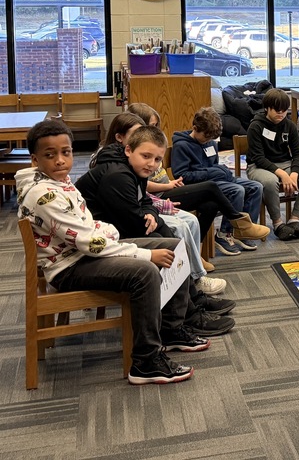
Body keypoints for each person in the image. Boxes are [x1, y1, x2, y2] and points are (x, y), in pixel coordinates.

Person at [17, 119, 208, 384]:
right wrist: (145, 254)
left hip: (85, 254)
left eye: (66, 152)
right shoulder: (43, 195)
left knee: (175, 245)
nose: (60, 160)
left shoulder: (60, 182)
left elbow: (90, 226)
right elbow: (89, 242)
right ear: (35, 159)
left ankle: (171, 330)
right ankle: (145, 361)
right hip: (69, 267)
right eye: (50, 155)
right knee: (145, 272)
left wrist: (109, 233)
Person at [74, 124, 236, 338]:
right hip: (97, 244)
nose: (152, 164)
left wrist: (150, 213)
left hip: (113, 229)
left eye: (157, 159)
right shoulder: (117, 175)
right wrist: (150, 216)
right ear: (128, 150)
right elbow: (134, 223)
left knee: (169, 240)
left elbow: (146, 202)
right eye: (146, 156)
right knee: (167, 245)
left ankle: (191, 303)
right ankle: (184, 316)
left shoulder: (133, 168)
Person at [169, 107, 265, 250]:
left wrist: (219, 170)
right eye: (206, 137)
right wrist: (212, 172)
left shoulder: (211, 143)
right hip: (201, 185)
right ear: (195, 128)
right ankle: (224, 234)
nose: (209, 140)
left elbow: (214, 165)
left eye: (211, 139)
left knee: (256, 187)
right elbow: (182, 176)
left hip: (216, 180)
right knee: (237, 190)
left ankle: (243, 233)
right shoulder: (182, 145)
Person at [246, 88, 299, 240]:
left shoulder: (289, 125)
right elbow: (258, 158)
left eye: (284, 110)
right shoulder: (256, 126)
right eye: (276, 110)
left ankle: (294, 219)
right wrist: (283, 174)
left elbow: (298, 154)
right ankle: (278, 223)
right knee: (270, 181)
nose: (281, 113)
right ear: (267, 108)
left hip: (285, 163)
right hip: (258, 167)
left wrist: (294, 173)